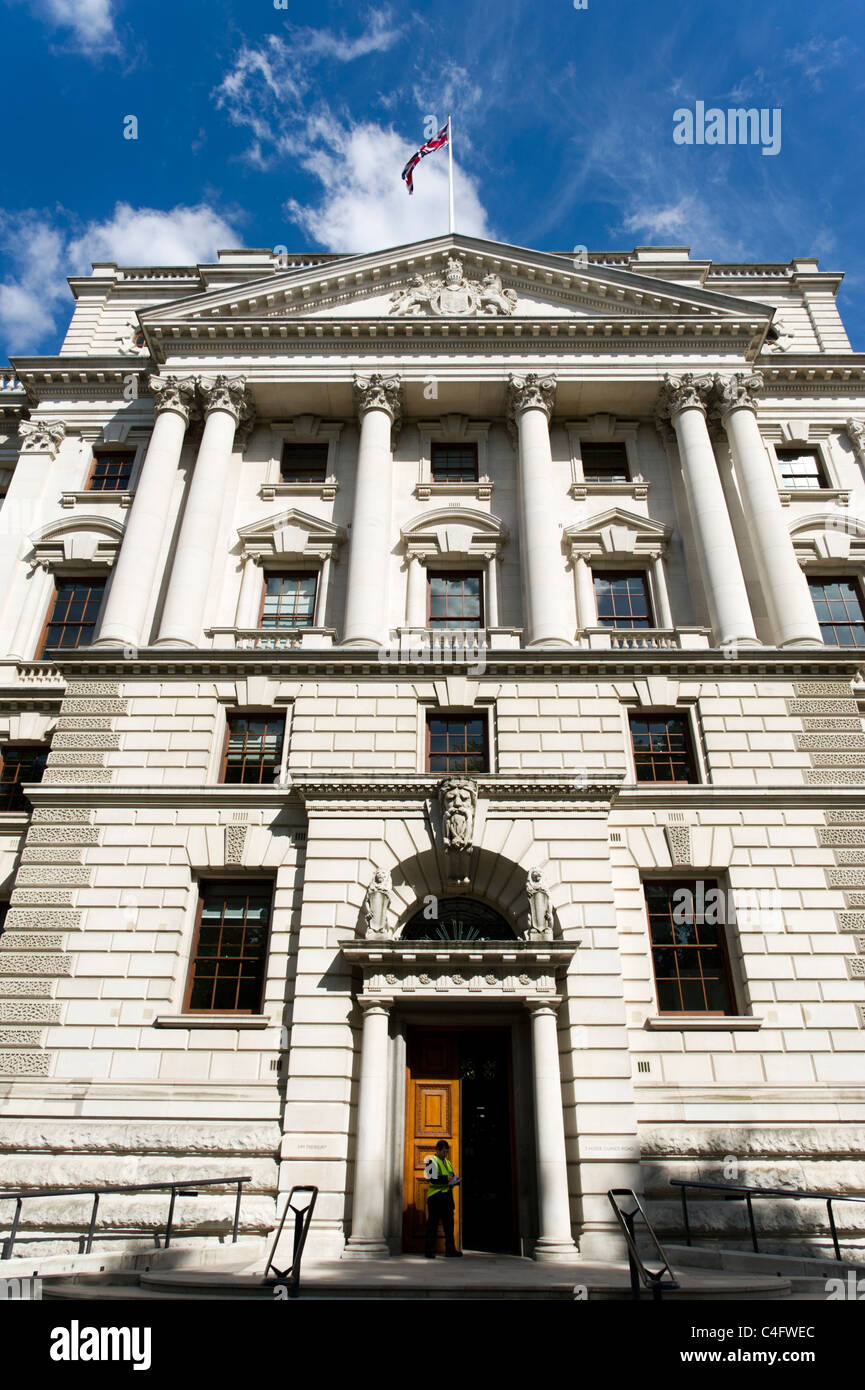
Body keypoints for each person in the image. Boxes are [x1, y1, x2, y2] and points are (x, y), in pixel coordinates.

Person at [424, 1139, 462, 1258]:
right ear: (438, 1150)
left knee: (449, 1225)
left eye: (447, 1152)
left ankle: (450, 1250)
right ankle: (429, 1251)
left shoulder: (448, 1162)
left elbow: (451, 1177)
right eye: (444, 1152)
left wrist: (455, 1181)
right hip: (435, 1197)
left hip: (447, 1198)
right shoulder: (431, 1161)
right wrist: (447, 1179)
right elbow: (431, 1178)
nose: (445, 1154)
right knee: (433, 1225)